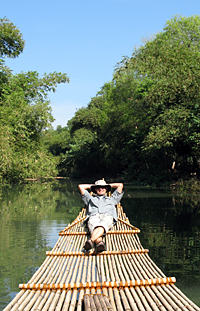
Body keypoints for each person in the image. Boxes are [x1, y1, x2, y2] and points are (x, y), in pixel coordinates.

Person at [78, 179, 124, 252]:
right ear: (95, 189)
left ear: (106, 189)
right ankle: (100, 243)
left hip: (107, 216)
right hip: (94, 216)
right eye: (98, 187)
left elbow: (120, 185)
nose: (101, 189)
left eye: (103, 187)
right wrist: (93, 186)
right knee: (93, 225)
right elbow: (81, 187)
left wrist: (108, 185)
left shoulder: (112, 199)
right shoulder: (90, 199)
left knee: (103, 224)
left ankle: (90, 240)